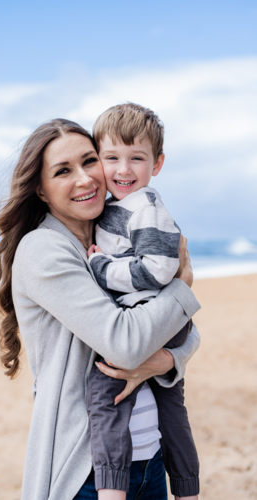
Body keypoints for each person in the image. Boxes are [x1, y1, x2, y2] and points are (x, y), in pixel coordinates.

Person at [0, 117, 201, 500]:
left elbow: (184, 330)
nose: (85, 179)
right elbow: (126, 343)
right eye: (63, 171)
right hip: (88, 472)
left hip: (149, 458)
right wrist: (181, 287)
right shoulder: (44, 249)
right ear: (42, 190)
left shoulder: (118, 236)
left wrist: (166, 359)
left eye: (90, 161)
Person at [87, 103, 199, 500]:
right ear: (97, 158)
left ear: (158, 163)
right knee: (172, 410)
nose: (123, 170)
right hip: (161, 317)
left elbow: (156, 270)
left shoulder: (144, 207)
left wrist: (100, 265)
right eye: (111, 157)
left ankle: (113, 489)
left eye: (137, 158)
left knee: (106, 396)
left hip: (152, 317)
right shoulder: (118, 207)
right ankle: (187, 490)